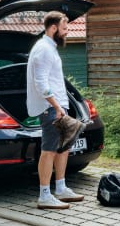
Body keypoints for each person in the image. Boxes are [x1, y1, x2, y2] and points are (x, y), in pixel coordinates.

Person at [26, 11, 85, 209]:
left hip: (59, 106)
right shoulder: (43, 49)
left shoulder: (50, 48)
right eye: (65, 28)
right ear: (53, 28)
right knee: (49, 150)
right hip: (50, 108)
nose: (67, 32)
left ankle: (60, 188)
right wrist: (57, 106)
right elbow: (41, 82)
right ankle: (44, 195)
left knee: (63, 148)